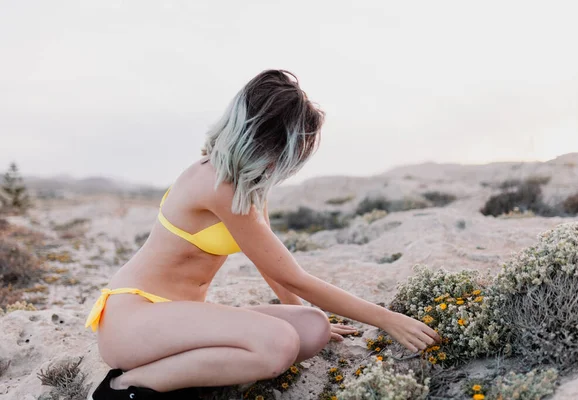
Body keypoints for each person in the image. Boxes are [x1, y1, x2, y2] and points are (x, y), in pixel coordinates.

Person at [86, 69, 440, 399]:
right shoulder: (217, 184)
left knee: (313, 328)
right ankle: (125, 385)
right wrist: (387, 319)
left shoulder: (248, 184)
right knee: (278, 345)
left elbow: (273, 266)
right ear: (269, 139)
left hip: (177, 316)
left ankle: (180, 371)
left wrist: (298, 314)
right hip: (133, 321)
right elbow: (294, 277)